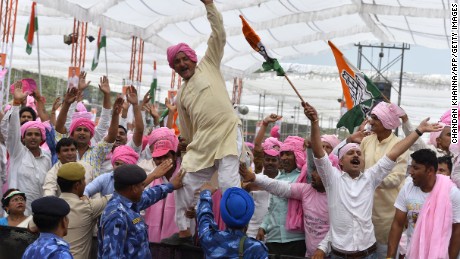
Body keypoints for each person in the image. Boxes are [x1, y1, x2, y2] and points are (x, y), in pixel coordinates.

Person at [302, 101, 441, 259]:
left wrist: (418, 130)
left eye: (359, 153)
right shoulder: (332, 179)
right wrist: (314, 122)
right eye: (350, 153)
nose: (356, 154)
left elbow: (395, 152)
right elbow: (320, 154)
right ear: (340, 162)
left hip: (371, 249)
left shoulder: (370, 178)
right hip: (338, 254)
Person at [166, 0, 245, 242]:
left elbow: (219, 33)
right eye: (176, 62)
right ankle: (184, 228)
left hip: (228, 132)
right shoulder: (181, 96)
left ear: (192, 58)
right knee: (185, 179)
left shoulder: (209, 64)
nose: (181, 64)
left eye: (184, 59)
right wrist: (184, 144)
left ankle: (237, 231)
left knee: (229, 182)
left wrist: (209, 4)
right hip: (202, 143)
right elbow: (188, 130)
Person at [240, 161, 329, 258]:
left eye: (318, 171)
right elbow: (278, 186)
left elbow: (338, 228)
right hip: (309, 254)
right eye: (314, 170)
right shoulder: (306, 190)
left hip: (329, 254)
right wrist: (254, 177)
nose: (312, 174)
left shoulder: (335, 196)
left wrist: (323, 248)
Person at [97, 164, 185, 258]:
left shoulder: (129, 202)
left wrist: (170, 186)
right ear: (134, 188)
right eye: (142, 185)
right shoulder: (117, 216)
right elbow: (112, 256)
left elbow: (149, 195)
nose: (143, 188)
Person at [387, 149, 460, 259]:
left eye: (415, 168)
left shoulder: (451, 193)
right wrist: (390, 257)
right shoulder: (407, 189)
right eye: (411, 167)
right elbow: (397, 224)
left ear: (430, 170)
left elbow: (457, 231)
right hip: (413, 254)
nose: (410, 171)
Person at [359, 102, 409, 256]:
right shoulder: (366, 141)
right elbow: (358, 169)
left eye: (376, 118)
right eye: (371, 117)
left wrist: (368, 178)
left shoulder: (399, 145)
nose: (371, 121)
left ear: (387, 122)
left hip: (387, 217)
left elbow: (396, 178)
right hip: (362, 213)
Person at [2, 81, 52, 214]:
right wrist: (16, 104)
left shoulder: (47, 156)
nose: (33, 137)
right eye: (29, 134)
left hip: (39, 216)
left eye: (37, 134)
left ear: (42, 138)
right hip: (16, 216)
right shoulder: (17, 152)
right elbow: (12, 132)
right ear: (23, 138)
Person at [256, 136, 306, 258]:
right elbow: (271, 209)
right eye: (282, 154)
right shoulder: (277, 179)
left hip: (295, 240)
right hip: (273, 239)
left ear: (297, 155)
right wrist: (263, 227)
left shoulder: (304, 178)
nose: (284, 158)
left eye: (288, 154)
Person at [197, 184, 268, 258]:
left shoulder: (210, 239)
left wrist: (205, 193)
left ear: (224, 214)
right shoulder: (256, 248)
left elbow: (204, 216)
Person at [57, 162, 110, 259]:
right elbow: (118, 196)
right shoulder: (87, 207)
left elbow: (31, 227)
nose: (86, 183)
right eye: (84, 180)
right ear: (77, 185)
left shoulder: (49, 206)